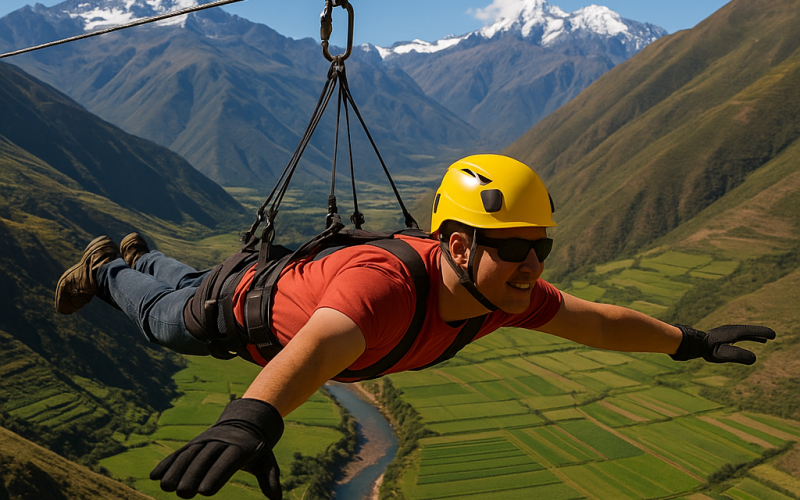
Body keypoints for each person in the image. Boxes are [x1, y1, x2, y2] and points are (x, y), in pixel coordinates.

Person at [55, 154, 775, 500]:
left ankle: (142, 255)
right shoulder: (387, 289)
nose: (533, 266)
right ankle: (108, 269)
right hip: (237, 312)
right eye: (516, 249)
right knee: (163, 317)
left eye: (542, 248)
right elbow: (319, 348)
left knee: (180, 284)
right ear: (459, 246)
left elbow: (600, 323)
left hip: (243, 283)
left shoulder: (508, 297)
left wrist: (689, 342)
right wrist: (250, 420)